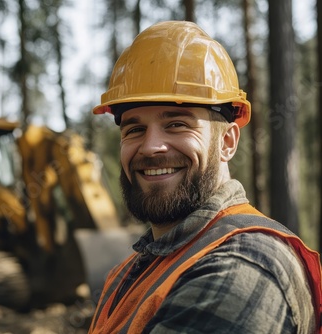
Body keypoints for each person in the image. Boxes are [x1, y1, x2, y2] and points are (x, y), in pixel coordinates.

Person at [88, 21, 321, 334]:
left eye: (177, 125)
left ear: (227, 143)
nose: (151, 146)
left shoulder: (243, 265)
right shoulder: (136, 269)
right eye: (134, 129)